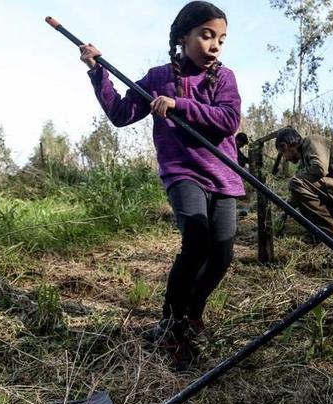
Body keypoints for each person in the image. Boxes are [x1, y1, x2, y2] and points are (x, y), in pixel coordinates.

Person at [79, 1, 242, 370]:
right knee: (197, 239)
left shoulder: (224, 78)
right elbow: (121, 114)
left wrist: (180, 105)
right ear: (183, 36)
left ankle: (193, 311)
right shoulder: (156, 78)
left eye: (221, 38)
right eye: (206, 35)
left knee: (222, 254)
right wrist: (97, 73)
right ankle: (171, 325)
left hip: (224, 175)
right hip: (183, 172)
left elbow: (228, 120)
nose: (215, 45)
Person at [275, 128, 333, 241]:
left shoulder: (312, 141)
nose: (285, 159)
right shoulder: (304, 160)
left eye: (283, 154)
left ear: (285, 146)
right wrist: (283, 214)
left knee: (295, 182)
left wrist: (296, 180)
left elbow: (320, 169)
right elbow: (297, 193)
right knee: (297, 183)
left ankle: (327, 234)